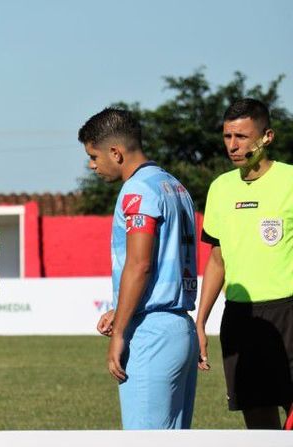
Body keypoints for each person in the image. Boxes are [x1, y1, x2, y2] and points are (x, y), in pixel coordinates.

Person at [78, 108, 199, 429]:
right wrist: (121, 309)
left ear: (115, 153)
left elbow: (140, 263)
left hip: (152, 333)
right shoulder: (174, 185)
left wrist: (120, 333)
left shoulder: (137, 190)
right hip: (180, 328)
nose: (92, 165)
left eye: (93, 156)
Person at [196, 98, 293, 429]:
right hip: (240, 317)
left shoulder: (290, 181)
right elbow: (217, 259)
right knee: (258, 422)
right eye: (227, 137)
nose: (233, 146)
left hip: (288, 312)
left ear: (267, 137)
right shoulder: (220, 189)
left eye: (242, 137)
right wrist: (201, 321)